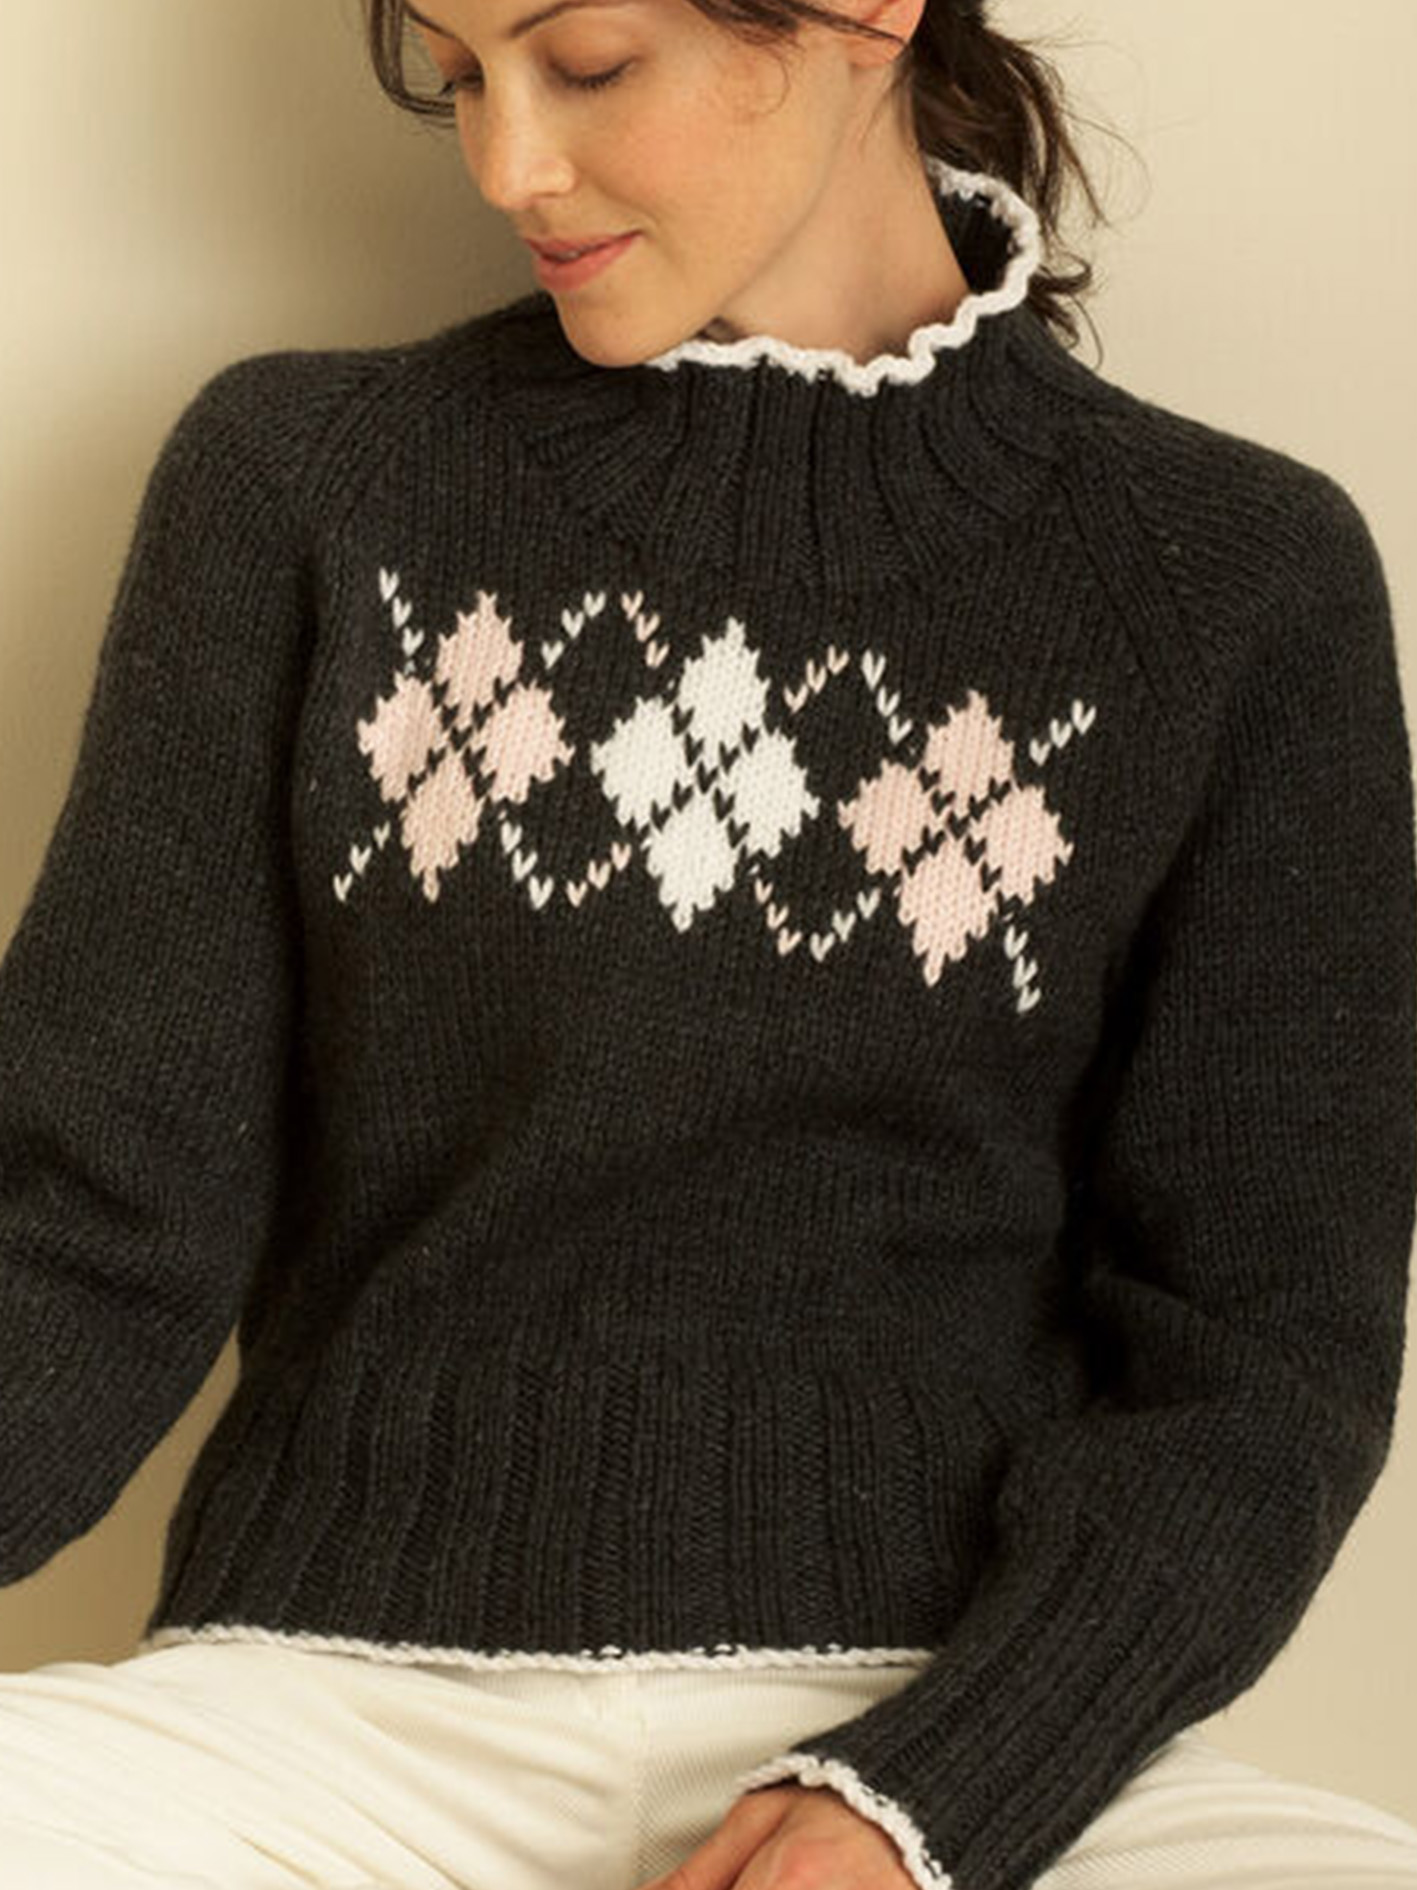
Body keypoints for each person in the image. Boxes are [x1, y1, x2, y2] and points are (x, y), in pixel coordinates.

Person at [0, 0, 1415, 1885]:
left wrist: (926, 1803)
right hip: (319, 1734)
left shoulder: (1231, 577)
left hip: (945, 1730)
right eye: (455, 77)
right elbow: (83, 1230)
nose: (507, 165)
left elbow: (1258, 1361)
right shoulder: (304, 479)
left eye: (584, 63)